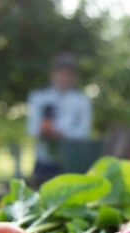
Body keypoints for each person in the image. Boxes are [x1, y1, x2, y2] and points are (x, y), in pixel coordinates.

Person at [26, 53, 92, 182]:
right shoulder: (38, 97)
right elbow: (32, 128)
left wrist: (61, 134)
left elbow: (84, 132)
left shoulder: (82, 101)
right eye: (60, 73)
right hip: (44, 161)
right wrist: (45, 132)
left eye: (68, 74)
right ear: (52, 74)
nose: (64, 78)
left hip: (72, 162)